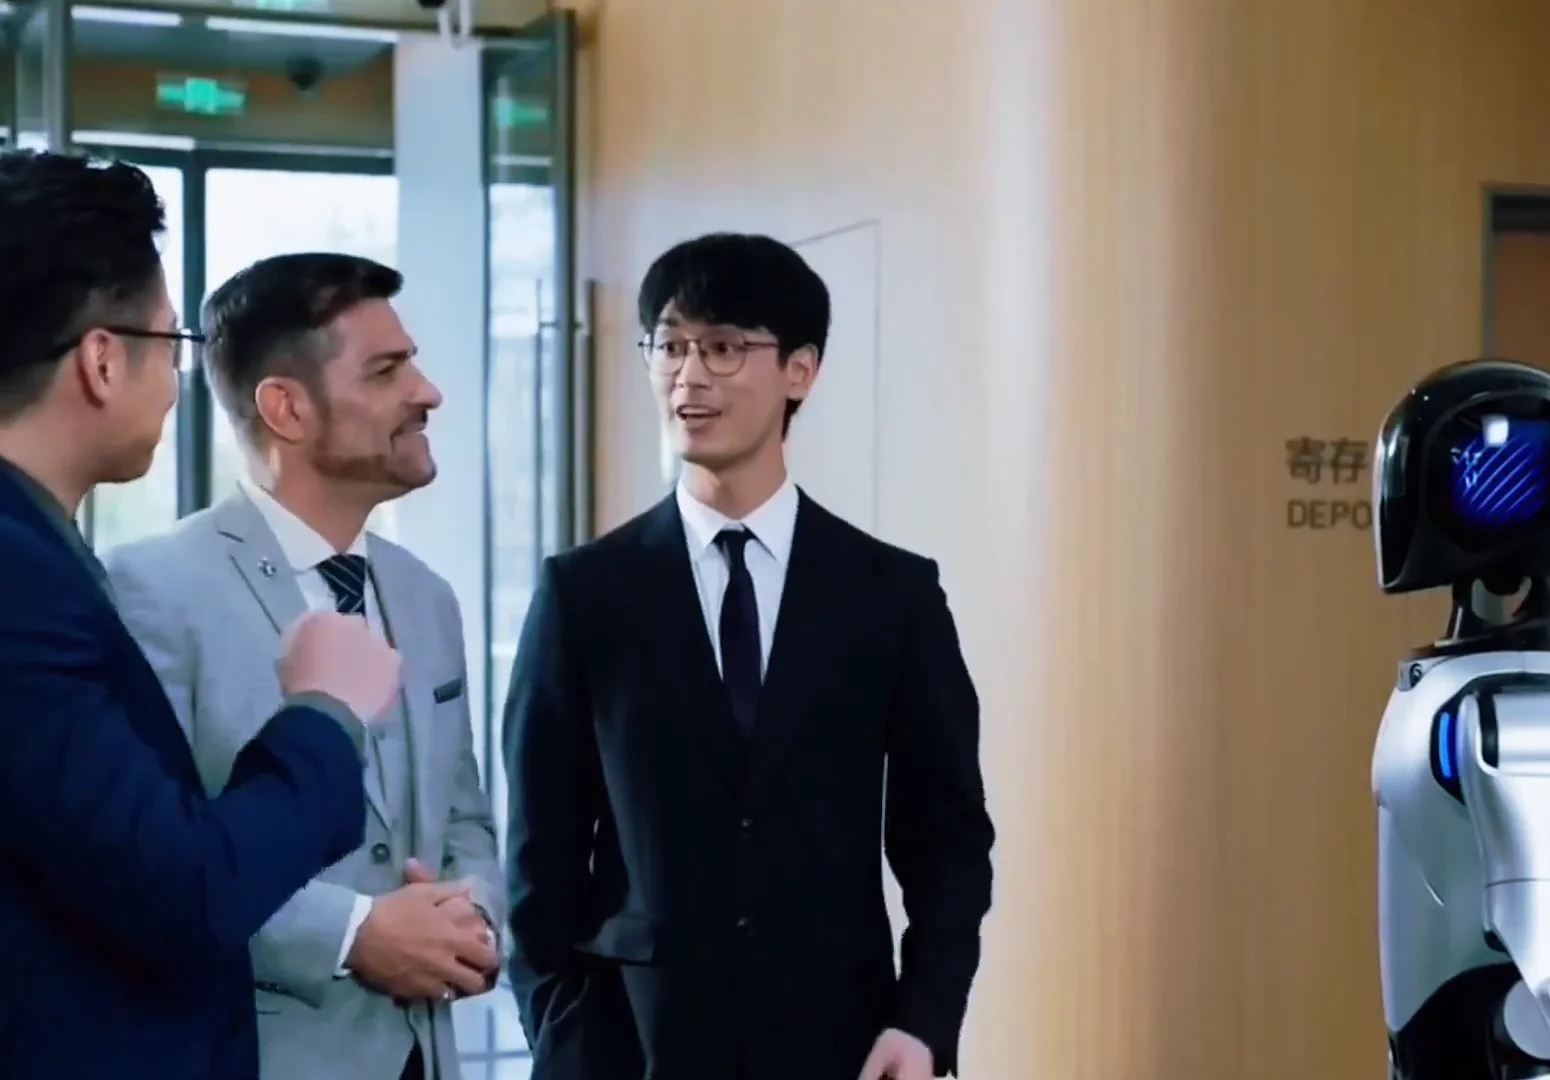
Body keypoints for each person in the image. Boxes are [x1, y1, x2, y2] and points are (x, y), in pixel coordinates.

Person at [503, 232, 996, 1080]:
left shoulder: (891, 595)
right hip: (632, 1047)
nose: (688, 375)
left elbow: (947, 839)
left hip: (838, 1044)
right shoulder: (585, 593)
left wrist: (923, 1021)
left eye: (724, 347)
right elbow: (537, 852)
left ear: (799, 371)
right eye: (669, 344)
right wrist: (562, 1029)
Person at [0, 154, 399, 1078]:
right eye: (173, 345)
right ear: (103, 359)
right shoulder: (20, 578)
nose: (181, 384)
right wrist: (324, 711)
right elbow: (183, 887)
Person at [105, 253, 504, 1080]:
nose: (427, 393)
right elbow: (141, 864)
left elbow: (464, 816)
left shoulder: (426, 596)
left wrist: (471, 923)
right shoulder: (150, 590)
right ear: (286, 407)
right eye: (390, 371)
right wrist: (356, 933)